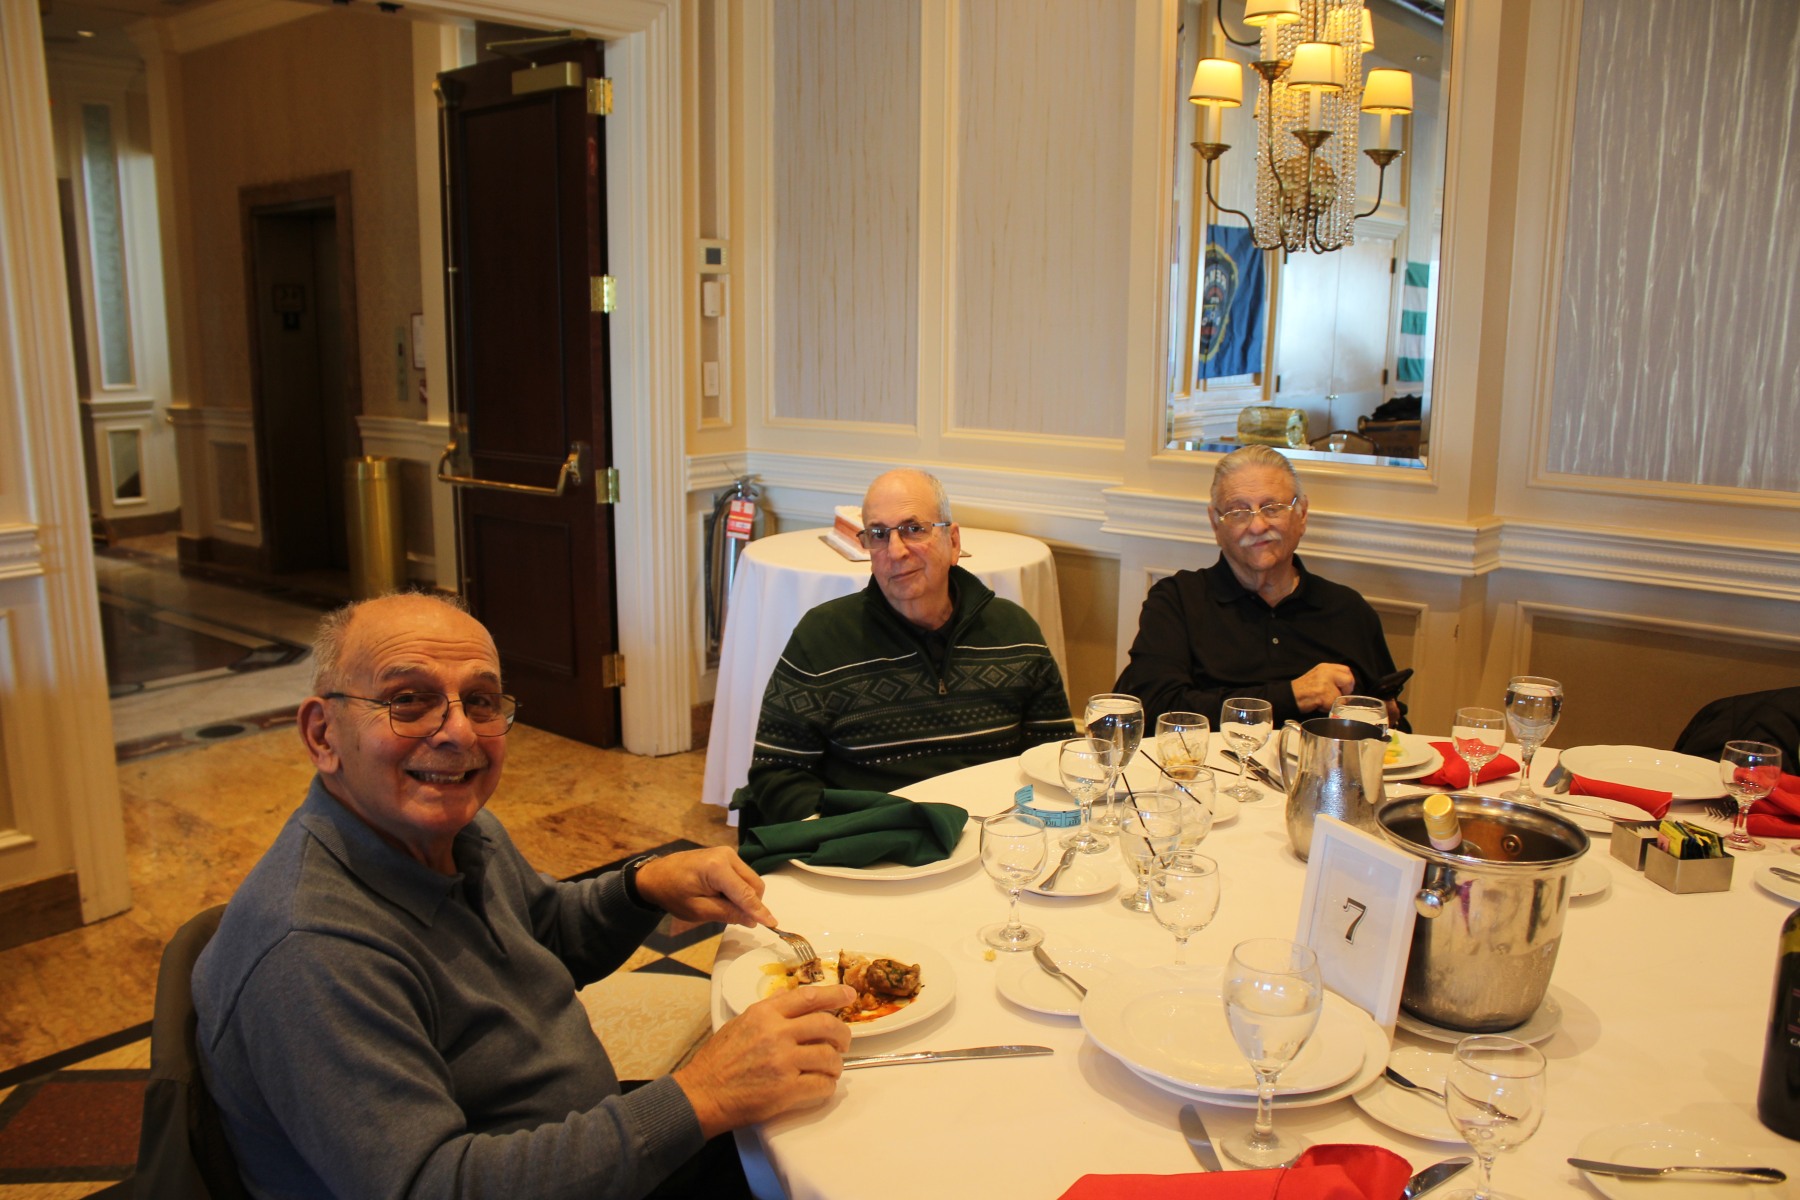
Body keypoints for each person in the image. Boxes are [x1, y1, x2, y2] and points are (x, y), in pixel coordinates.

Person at [192, 593, 856, 1200]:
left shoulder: (460, 833)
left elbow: (546, 936)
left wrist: (643, 884)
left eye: (480, 701)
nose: (458, 732)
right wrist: (700, 1096)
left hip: (577, 1142)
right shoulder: (312, 951)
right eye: (409, 700)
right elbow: (431, 1186)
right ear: (322, 734)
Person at [731, 468, 1073, 831]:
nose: (895, 551)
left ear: (953, 542)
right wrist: (841, 836)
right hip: (873, 844)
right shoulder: (821, 638)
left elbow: (1052, 758)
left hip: (996, 841)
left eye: (913, 529)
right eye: (878, 534)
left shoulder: (1014, 632)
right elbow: (778, 772)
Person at [1114, 445, 1409, 731]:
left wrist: (1388, 717)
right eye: (1238, 511)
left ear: (1302, 514)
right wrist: (1294, 696)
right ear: (1215, 524)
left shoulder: (1347, 611)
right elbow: (1154, 710)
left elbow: (1395, 731)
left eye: (1272, 508)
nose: (1257, 526)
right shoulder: (1178, 601)